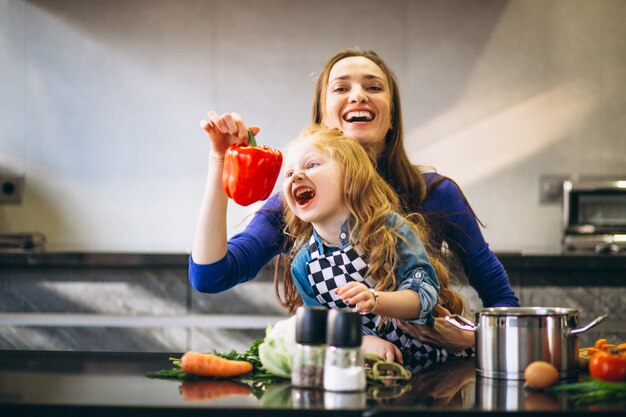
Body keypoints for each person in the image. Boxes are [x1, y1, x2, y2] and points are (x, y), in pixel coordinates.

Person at [190, 48, 519, 362]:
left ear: (392, 118)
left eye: (373, 87)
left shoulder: (437, 194)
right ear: (322, 118)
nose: (358, 95)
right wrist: (221, 159)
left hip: (433, 384)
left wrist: (472, 338)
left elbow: (504, 304)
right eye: (341, 87)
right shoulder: (297, 205)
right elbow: (210, 277)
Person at [282, 124, 470, 369]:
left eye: (312, 165)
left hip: (437, 370)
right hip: (374, 376)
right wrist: (362, 341)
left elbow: (425, 296)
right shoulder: (303, 265)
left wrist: (375, 299)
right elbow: (323, 331)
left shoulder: (389, 229)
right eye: (288, 173)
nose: (296, 175)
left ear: (350, 177)